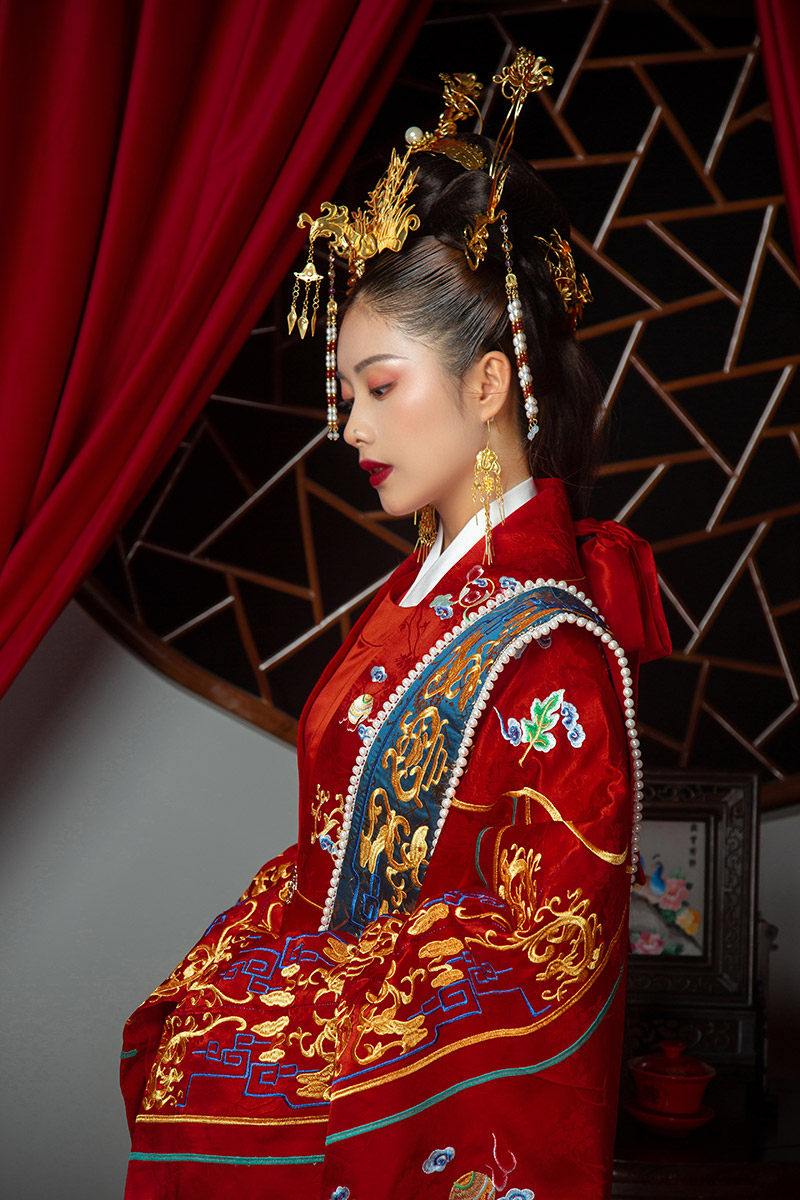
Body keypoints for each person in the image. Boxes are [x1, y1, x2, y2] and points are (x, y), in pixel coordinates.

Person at [120, 53, 670, 1200]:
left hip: (405, 1129)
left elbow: (541, 964)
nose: (352, 427)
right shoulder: (416, 596)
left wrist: (291, 1030)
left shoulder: (550, 654)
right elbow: (333, 861)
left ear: (485, 385)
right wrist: (244, 983)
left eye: (379, 386)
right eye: (348, 393)